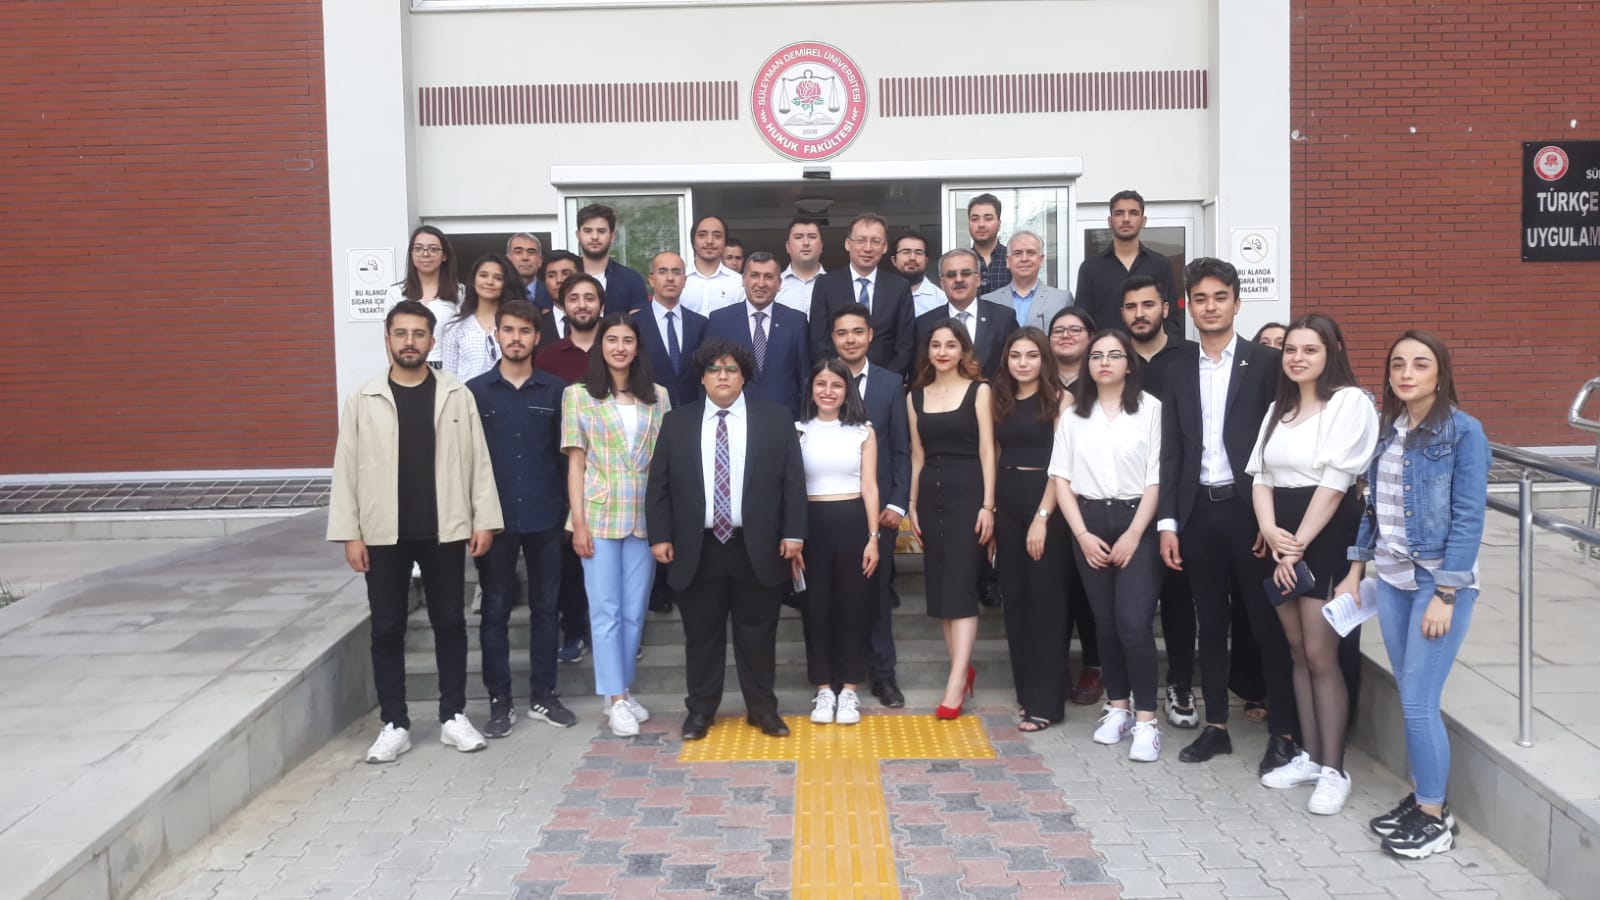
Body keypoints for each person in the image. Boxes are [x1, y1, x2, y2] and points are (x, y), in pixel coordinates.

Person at [1337, 330, 1488, 859]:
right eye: (1398, 363)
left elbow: (1469, 516)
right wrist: (1356, 567)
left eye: (1420, 364)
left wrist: (1447, 591)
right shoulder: (1390, 430)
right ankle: (1425, 795)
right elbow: (1373, 508)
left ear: (1440, 374)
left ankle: (1434, 816)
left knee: (1420, 702)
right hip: (1393, 580)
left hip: (1436, 582)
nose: (1406, 373)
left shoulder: (1463, 432)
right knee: (1410, 695)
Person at [328, 300, 500, 763]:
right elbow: (346, 469)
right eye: (401, 333)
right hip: (382, 533)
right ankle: (395, 723)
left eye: (418, 334)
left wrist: (484, 518)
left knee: (450, 624)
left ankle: (453, 716)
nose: (409, 342)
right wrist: (350, 533)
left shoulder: (456, 394)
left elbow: (478, 461)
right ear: (387, 339)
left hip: (444, 529)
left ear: (431, 340)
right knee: (387, 627)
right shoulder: (363, 398)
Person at [1157, 257, 1298, 774]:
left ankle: (1283, 732)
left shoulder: (1266, 364)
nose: (1210, 307)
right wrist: (1168, 523)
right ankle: (1216, 726)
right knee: (1210, 624)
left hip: (1251, 515)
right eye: (1201, 299)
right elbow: (1170, 451)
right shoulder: (1175, 368)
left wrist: (1268, 520)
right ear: (1188, 307)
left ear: (1237, 303)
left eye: (1220, 297)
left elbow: (1281, 441)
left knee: (1266, 623)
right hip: (1198, 514)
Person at [1247, 314, 1379, 813]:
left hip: (1322, 536)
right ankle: (1309, 756)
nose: (1297, 358)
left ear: (1332, 353)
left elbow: (1337, 482)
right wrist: (1269, 532)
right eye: (1290, 350)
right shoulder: (1278, 408)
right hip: (1281, 536)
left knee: (1322, 654)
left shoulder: (1349, 402)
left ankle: (1334, 769)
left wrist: (1296, 546)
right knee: (1298, 650)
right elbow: (1260, 476)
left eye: (1310, 349)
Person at [647, 339, 808, 741]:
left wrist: (793, 532)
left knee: (759, 634)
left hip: (757, 545)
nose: (723, 376)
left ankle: (762, 709)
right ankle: (701, 710)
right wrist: (660, 535)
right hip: (697, 547)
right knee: (702, 636)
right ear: (702, 378)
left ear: (744, 377)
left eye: (731, 369)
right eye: (714, 369)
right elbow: (659, 484)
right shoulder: (677, 422)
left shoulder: (775, 419)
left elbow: (792, 480)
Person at [1051, 329, 1165, 761]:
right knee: (1106, 623)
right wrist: (1081, 534)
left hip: (1139, 521)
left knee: (1134, 622)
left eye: (1114, 355)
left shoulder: (1152, 410)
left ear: (1129, 365)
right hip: (1090, 521)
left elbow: (1156, 477)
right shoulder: (1074, 415)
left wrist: (1135, 532)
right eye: (1097, 355)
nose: (1104, 362)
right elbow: (1060, 478)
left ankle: (1146, 721)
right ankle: (1118, 707)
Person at [465, 299, 575, 736]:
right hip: (494, 520)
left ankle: (544, 697)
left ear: (536, 338)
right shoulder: (475, 392)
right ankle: (500, 703)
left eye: (524, 331)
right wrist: (474, 517)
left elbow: (567, 458)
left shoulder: (557, 391)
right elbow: (466, 461)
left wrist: (569, 515)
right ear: (497, 335)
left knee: (547, 610)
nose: (516, 338)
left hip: (546, 516)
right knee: (494, 611)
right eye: (508, 330)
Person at [563, 313, 672, 737]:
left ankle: (620, 692)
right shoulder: (578, 396)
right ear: (601, 345)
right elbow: (576, 464)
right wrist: (578, 523)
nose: (620, 347)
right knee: (605, 610)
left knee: (633, 612)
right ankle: (616, 697)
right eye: (612, 339)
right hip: (599, 514)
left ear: (637, 347)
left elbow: (665, 463)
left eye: (627, 340)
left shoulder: (657, 396)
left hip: (645, 517)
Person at [1122, 274, 1201, 728]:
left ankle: (1180, 683)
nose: (1140, 314)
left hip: (1177, 492)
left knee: (1177, 595)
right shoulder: (1115, 356)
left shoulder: (1190, 357)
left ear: (1165, 309)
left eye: (1147, 305)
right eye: (1131, 306)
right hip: (1125, 495)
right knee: (1128, 604)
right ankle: (1126, 689)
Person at [906, 320, 995, 719]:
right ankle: (962, 670)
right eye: (936, 345)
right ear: (928, 351)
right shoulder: (915, 396)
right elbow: (917, 456)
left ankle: (956, 681)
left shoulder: (980, 391)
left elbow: (988, 451)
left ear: (963, 351)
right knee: (942, 591)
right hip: (930, 495)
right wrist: (911, 503)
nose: (942, 352)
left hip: (968, 493)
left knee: (960, 586)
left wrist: (988, 505)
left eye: (950, 345)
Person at [828, 304, 911, 709]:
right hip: (831, 509)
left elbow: (901, 448)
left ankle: (883, 676)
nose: (850, 340)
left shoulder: (890, 383)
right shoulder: (820, 380)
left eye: (857, 332)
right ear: (833, 338)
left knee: (876, 596)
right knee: (834, 597)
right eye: (842, 333)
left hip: (879, 511)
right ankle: (835, 676)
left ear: (870, 335)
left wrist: (898, 503)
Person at [990, 328, 1071, 732]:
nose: (1023, 363)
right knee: (1017, 601)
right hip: (1007, 503)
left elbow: (1063, 464)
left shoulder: (1060, 399)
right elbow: (995, 453)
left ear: (1044, 359)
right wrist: (991, 510)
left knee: (1046, 604)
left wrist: (1042, 517)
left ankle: (1047, 703)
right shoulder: (999, 398)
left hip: (1046, 504)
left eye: (1032, 355)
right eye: (1016, 355)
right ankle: (1028, 694)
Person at [795, 358, 881, 726]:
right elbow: (791, 489)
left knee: (853, 607)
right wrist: (794, 537)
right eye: (821, 384)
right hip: (811, 525)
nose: (828, 391)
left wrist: (873, 537)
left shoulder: (863, 432)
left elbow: (870, 487)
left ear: (848, 391)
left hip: (852, 523)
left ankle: (848, 689)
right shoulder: (797, 431)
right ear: (811, 388)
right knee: (816, 609)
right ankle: (823, 689)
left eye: (836, 385)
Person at [535, 274, 605, 664]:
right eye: (574, 298)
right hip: (565, 470)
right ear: (563, 306)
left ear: (600, 305)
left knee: (610, 559)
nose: (582, 304)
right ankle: (575, 630)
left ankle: (616, 633)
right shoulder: (547, 357)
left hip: (611, 473)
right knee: (570, 559)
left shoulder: (616, 347)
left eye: (589, 297)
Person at [1046, 305, 1105, 705]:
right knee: (1057, 588)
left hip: (1091, 498)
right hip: (1047, 497)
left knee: (1089, 590)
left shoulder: (1103, 379)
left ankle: (1094, 666)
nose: (1066, 336)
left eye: (1075, 330)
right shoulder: (1039, 379)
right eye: (1058, 330)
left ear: (1091, 337)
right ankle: (1055, 667)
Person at [707, 252, 811, 419]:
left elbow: (805, 377)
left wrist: (803, 421)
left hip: (784, 420)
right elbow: (709, 375)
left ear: (779, 283)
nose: (761, 283)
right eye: (754, 275)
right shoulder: (720, 320)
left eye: (768, 277)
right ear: (743, 280)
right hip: (734, 418)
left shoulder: (796, 321)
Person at [808, 213, 916, 374]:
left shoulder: (899, 287)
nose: (868, 248)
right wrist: (833, 376)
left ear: (885, 247)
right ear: (848, 244)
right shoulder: (825, 284)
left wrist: (888, 380)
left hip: (885, 378)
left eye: (875, 241)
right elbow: (818, 339)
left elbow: (905, 343)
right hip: (836, 379)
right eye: (861, 240)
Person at [1074, 190, 1180, 335]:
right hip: (1106, 348)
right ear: (1110, 221)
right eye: (1119, 213)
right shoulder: (1090, 268)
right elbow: (1082, 321)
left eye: (1133, 213)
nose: (1126, 219)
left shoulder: (1160, 265)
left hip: (1151, 348)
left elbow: (1171, 318)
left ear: (1143, 221)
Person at [914, 249, 1016, 379]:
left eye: (966, 273)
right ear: (942, 283)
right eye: (951, 275)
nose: (958, 279)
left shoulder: (1004, 318)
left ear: (978, 280)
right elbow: (919, 373)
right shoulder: (924, 324)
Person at [637, 251, 709, 409]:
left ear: (684, 281)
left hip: (691, 411)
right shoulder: (635, 324)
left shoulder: (700, 324)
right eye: (662, 271)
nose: (670, 278)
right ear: (651, 280)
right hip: (648, 409)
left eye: (676, 272)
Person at [385, 225, 463, 368]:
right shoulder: (396, 292)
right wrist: (396, 372)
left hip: (447, 367)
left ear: (444, 255)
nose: (425, 254)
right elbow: (389, 337)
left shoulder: (459, 292)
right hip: (407, 365)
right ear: (411, 254)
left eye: (433, 249)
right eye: (418, 248)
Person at [442, 254, 521, 382]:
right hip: (467, 394)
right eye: (483, 275)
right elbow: (448, 378)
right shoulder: (455, 326)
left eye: (498, 278)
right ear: (474, 280)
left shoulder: (517, 325)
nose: (489, 282)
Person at [981, 231, 1071, 332]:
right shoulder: (988, 301)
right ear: (1008, 261)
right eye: (1017, 253)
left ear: (1041, 260)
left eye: (1031, 253)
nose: (1024, 259)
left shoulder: (1061, 300)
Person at [573, 203, 649, 315]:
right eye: (588, 231)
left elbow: (639, 323)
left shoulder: (631, 280)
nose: (594, 237)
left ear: (613, 237)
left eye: (601, 231)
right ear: (578, 235)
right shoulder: (565, 277)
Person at [682, 214, 744, 315]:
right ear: (693, 241)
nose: (709, 241)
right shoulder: (679, 280)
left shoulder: (739, 283)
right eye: (702, 235)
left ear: (725, 242)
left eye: (717, 236)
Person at [775, 216, 826, 317]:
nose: (806, 243)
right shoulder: (774, 285)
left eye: (812, 237)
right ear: (788, 246)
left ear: (821, 246)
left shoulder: (835, 286)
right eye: (798, 237)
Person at [892, 231, 948, 317]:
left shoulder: (941, 300)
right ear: (893, 260)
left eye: (918, 253)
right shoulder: (880, 295)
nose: (912, 258)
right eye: (906, 252)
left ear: (926, 260)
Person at [967, 193, 1011, 295]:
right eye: (975, 219)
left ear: (999, 224)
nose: (981, 224)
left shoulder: (1013, 258)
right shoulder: (961, 261)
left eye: (988, 218)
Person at [506, 232, 551, 306]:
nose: (525, 257)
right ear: (508, 260)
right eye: (518, 252)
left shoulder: (551, 293)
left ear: (540, 261)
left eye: (531, 252)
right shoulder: (499, 293)